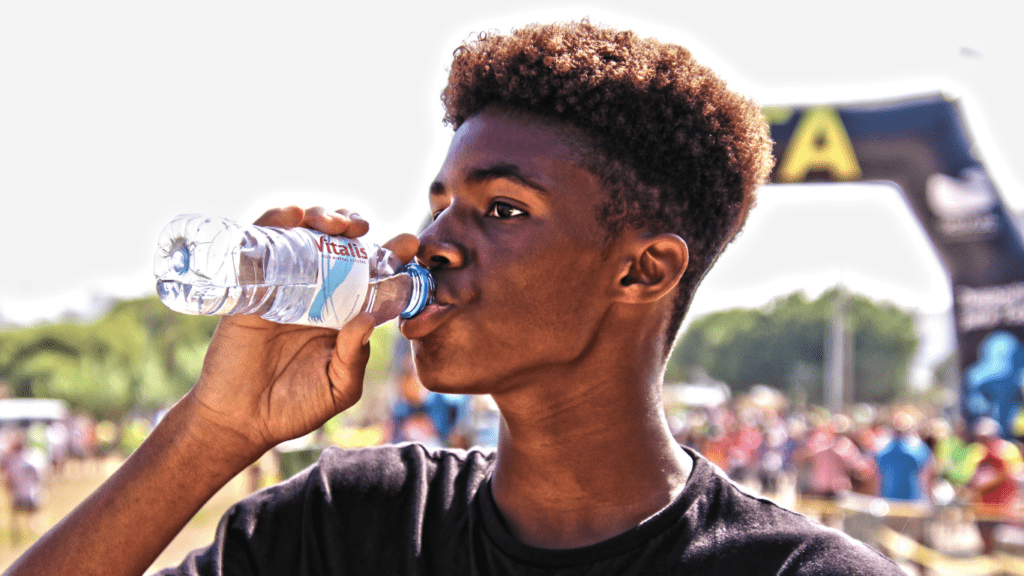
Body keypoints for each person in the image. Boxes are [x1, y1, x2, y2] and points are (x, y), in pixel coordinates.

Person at [6, 20, 902, 575]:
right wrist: (212, 432)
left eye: (502, 209)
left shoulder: (794, 570)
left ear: (644, 271)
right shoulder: (348, 524)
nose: (433, 242)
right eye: (439, 201)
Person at [968, 416, 1023, 555]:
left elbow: (1011, 476)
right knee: (989, 545)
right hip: (985, 508)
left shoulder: (1004, 450)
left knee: (1001, 547)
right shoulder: (981, 452)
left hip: (1001, 508)